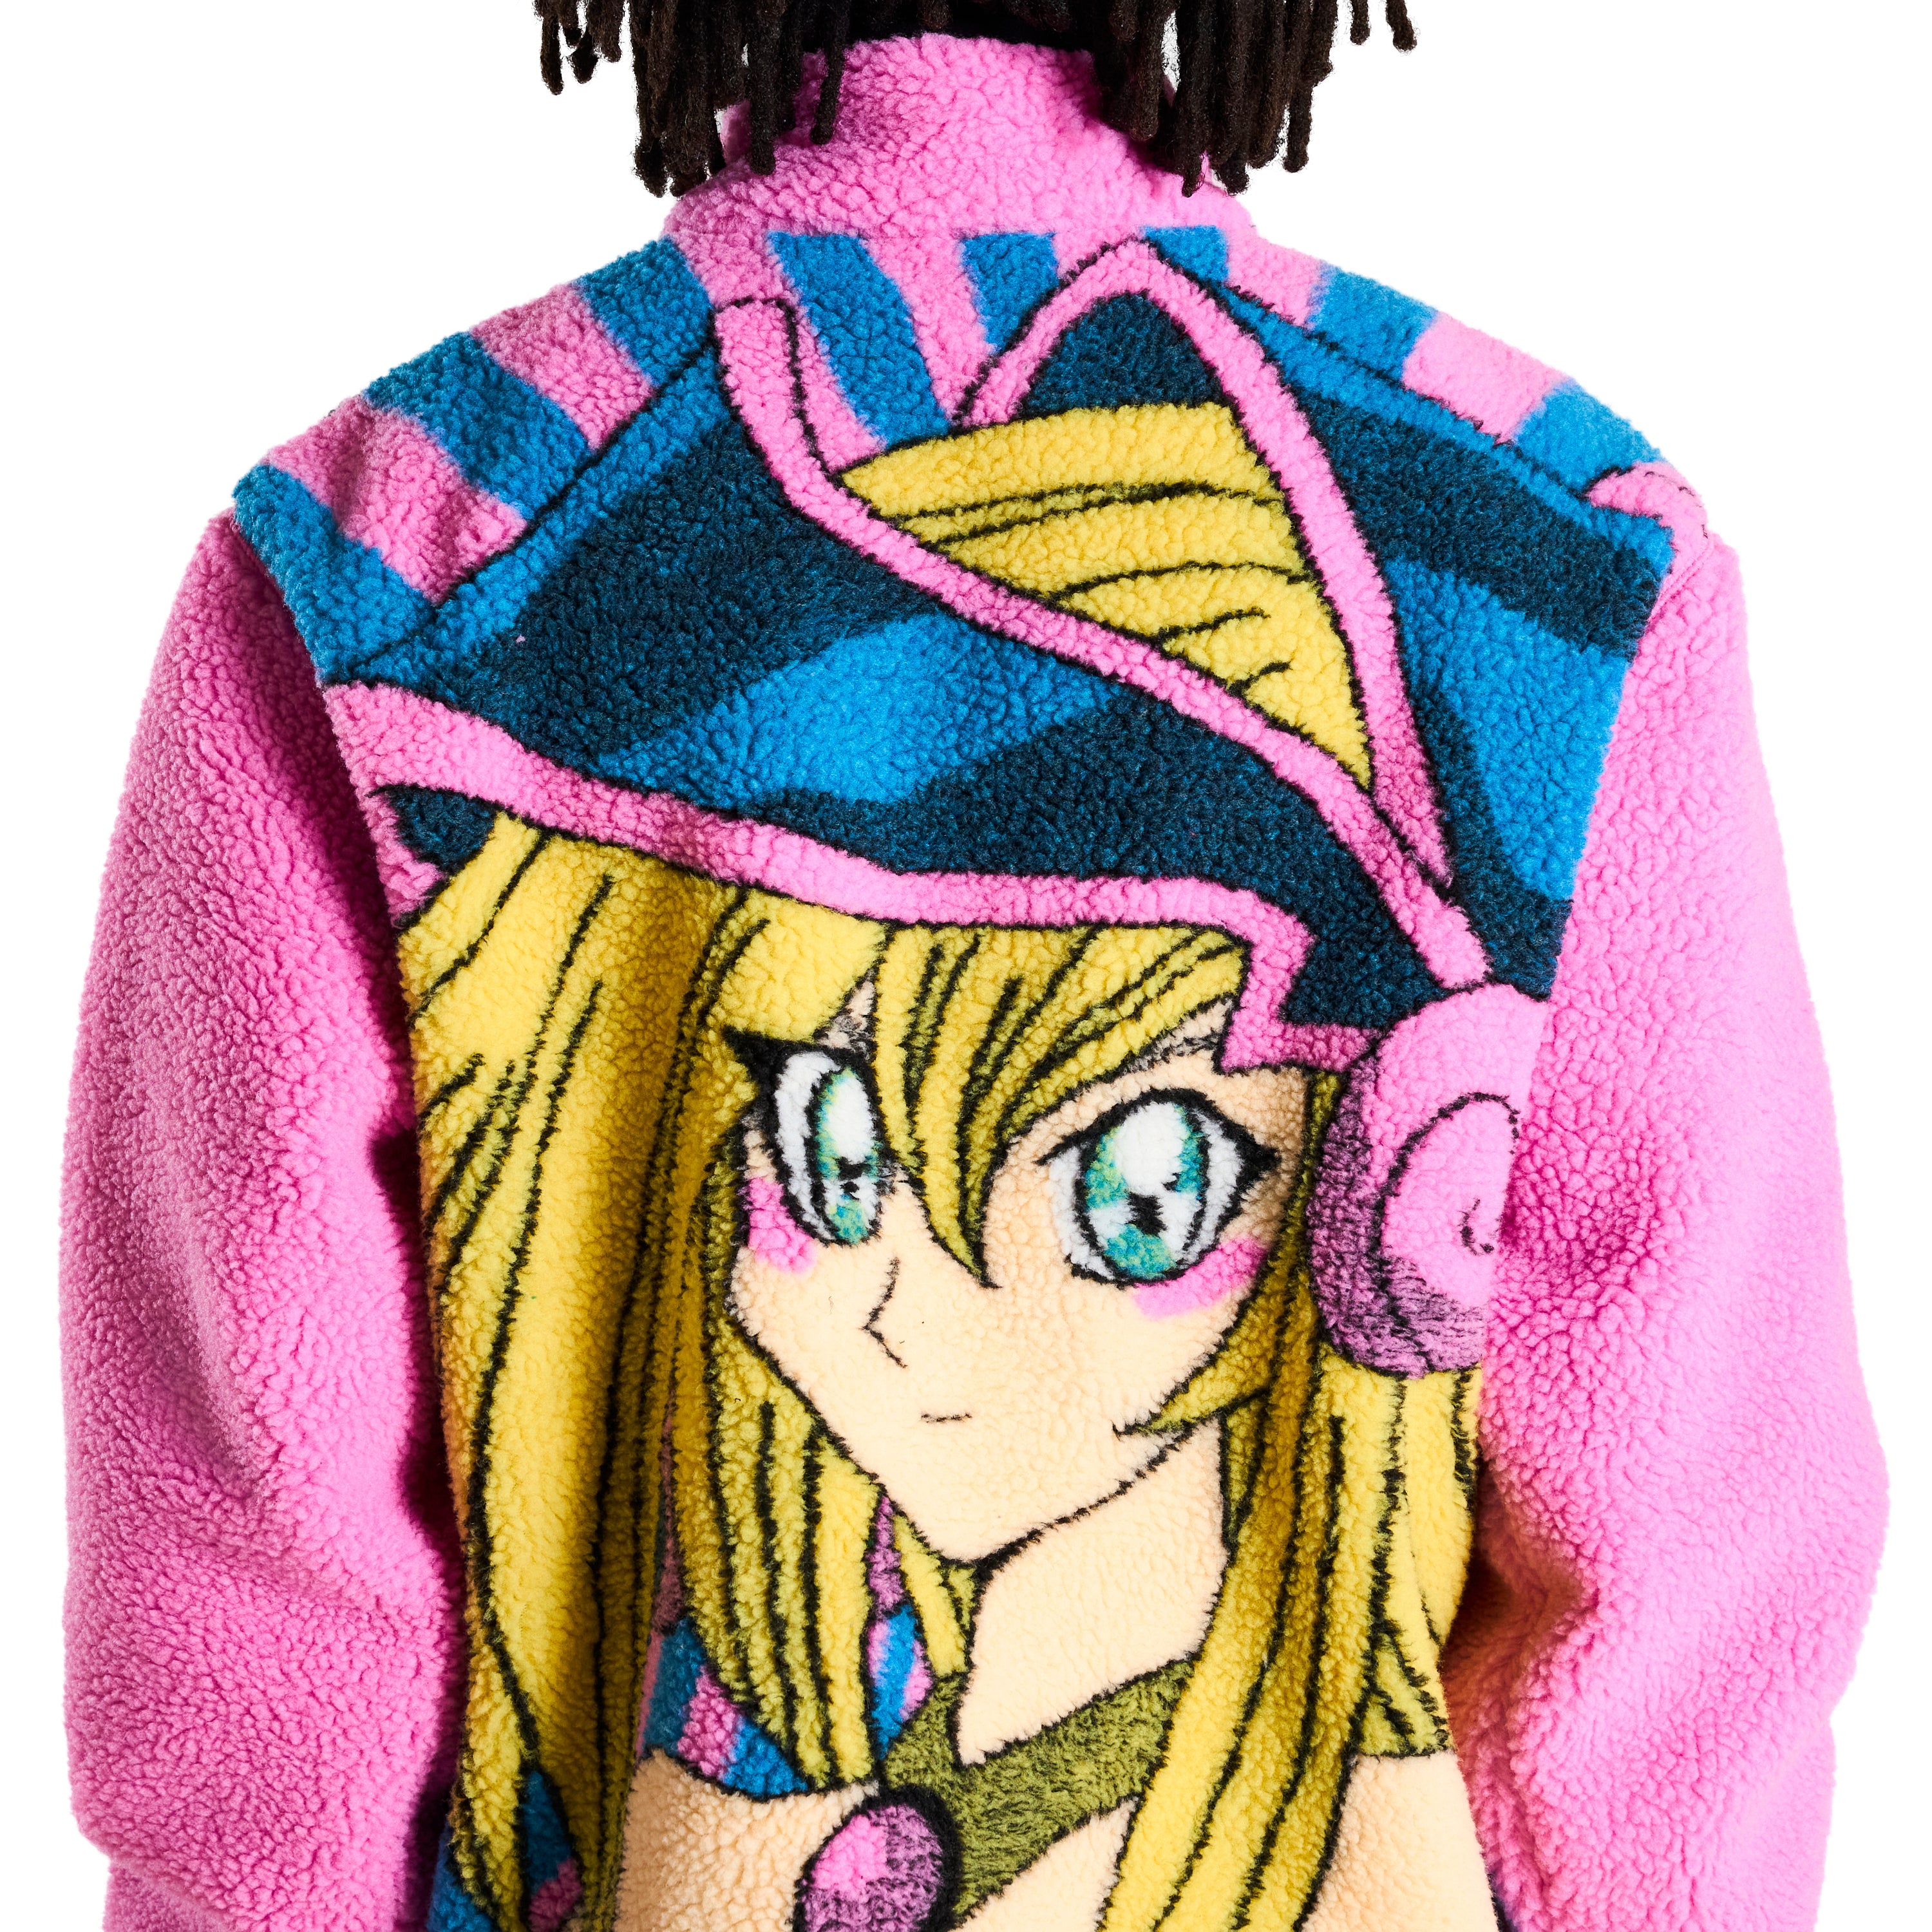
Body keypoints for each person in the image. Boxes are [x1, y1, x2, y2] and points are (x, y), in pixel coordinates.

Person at [59, 6, 1886, 1931]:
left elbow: (254, 1602)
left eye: (1140, 1194)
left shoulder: (381, 557)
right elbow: (1684, 1567)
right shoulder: (1563, 558)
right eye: (834, 1163)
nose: (910, 1323)